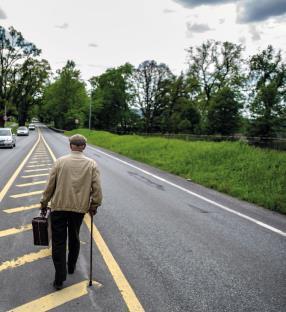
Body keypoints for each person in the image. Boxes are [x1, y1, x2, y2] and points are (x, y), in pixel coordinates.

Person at [40, 134, 102, 290]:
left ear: (70, 146)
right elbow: (97, 189)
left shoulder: (60, 162)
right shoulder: (91, 164)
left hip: (59, 207)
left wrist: (44, 202)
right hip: (79, 209)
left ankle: (59, 278)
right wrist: (94, 205)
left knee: (59, 241)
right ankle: (72, 266)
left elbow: (50, 186)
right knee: (74, 237)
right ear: (84, 147)